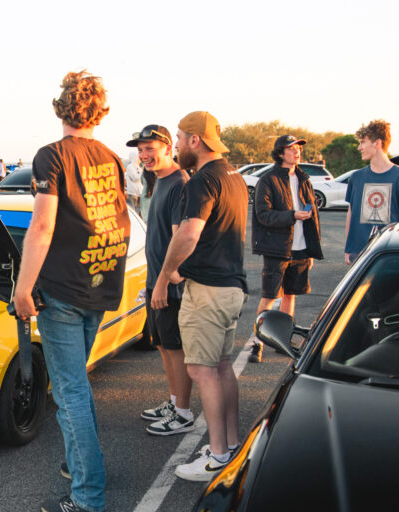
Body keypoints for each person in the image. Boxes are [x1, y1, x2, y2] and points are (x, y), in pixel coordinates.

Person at [14, 70, 129, 512]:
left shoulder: (52, 156)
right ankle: (83, 465)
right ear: (99, 112)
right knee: (75, 384)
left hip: (62, 290)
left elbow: (42, 226)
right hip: (100, 283)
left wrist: (23, 291)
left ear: (60, 108)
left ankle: (87, 497)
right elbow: (114, 217)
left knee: (70, 392)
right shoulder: (111, 158)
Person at [158, 111, 248, 482]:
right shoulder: (233, 176)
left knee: (200, 370)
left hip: (208, 290)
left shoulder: (201, 181)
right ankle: (230, 445)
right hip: (231, 287)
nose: (176, 145)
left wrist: (167, 273)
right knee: (222, 366)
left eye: (179, 138)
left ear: (196, 140)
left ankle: (218, 455)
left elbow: (189, 234)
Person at [130, 124, 194, 436]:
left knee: (175, 347)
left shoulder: (180, 182)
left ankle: (183, 412)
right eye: (140, 150)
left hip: (169, 284)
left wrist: (164, 283)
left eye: (150, 149)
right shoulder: (158, 181)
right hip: (156, 279)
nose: (144, 155)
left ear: (168, 148)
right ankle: (173, 401)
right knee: (163, 346)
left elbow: (178, 240)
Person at [249, 135, 323, 363]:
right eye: (291, 148)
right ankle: (256, 344)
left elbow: (314, 217)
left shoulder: (303, 179)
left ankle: (282, 339)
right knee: (269, 296)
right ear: (280, 153)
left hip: (301, 248)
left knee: (290, 295)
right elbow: (263, 214)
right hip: (277, 248)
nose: (297, 151)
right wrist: (292, 216)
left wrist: (311, 249)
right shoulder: (268, 180)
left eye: (298, 147)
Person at [345, 119, 399, 265]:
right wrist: (348, 248)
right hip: (358, 253)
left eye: (363, 142)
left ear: (377, 143)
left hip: (389, 256)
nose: (359, 147)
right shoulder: (356, 177)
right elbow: (351, 211)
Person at [124, 150, 142, 214]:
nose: (140, 159)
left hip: (139, 193)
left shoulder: (138, 166)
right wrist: (142, 173)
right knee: (133, 211)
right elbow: (135, 178)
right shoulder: (130, 167)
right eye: (138, 157)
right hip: (132, 193)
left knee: (138, 211)